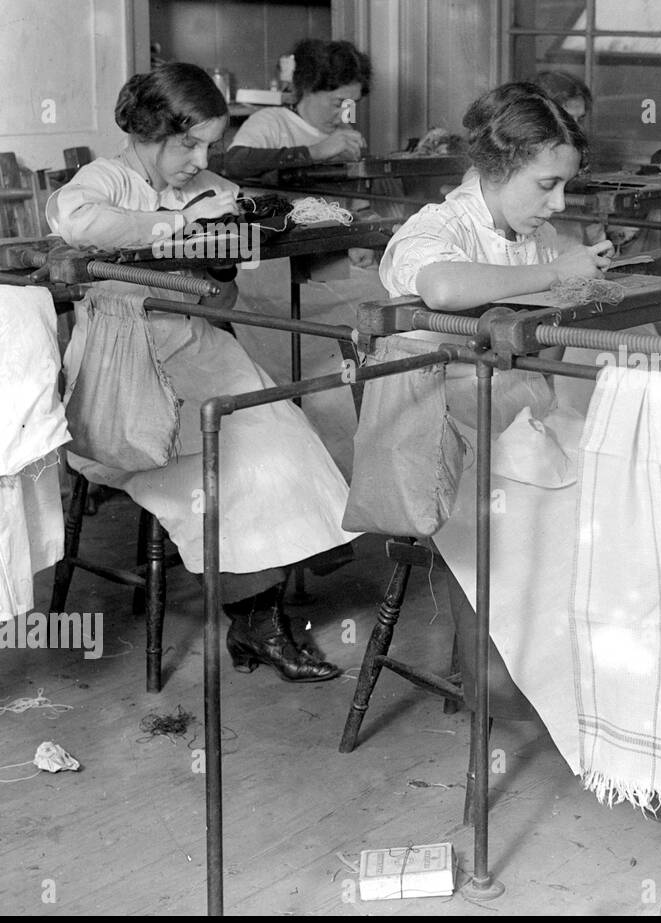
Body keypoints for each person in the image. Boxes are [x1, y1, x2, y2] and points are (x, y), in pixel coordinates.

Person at [46, 63, 356, 682]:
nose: (200, 157)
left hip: (198, 349)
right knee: (231, 469)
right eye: (188, 142)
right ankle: (258, 621)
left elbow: (221, 296)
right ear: (145, 130)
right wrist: (181, 229)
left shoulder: (206, 184)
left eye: (209, 142)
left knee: (284, 434)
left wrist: (231, 251)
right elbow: (76, 221)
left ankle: (256, 618)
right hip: (124, 368)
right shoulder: (104, 179)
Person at [378, 80, 612, 716]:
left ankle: (578, 682)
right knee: (546, 519)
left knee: (615, 495)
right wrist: (559, 274)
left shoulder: (526, 235)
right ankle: (524, 683)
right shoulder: (437, 228)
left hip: (514, 416)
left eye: (565, 186)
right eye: (546, 186)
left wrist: (573, 285)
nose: (559, 203)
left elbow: (537, 346)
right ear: (494, 167)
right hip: (441, 437)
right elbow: (446, 287)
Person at [220, 38, 370, 180]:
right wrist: (315, 152)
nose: (347, 115)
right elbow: (234, 162)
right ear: (308, 88)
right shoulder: (272, 122)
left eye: (351, 105)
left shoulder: (344, 132)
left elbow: (359, 204)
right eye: (339, 103)